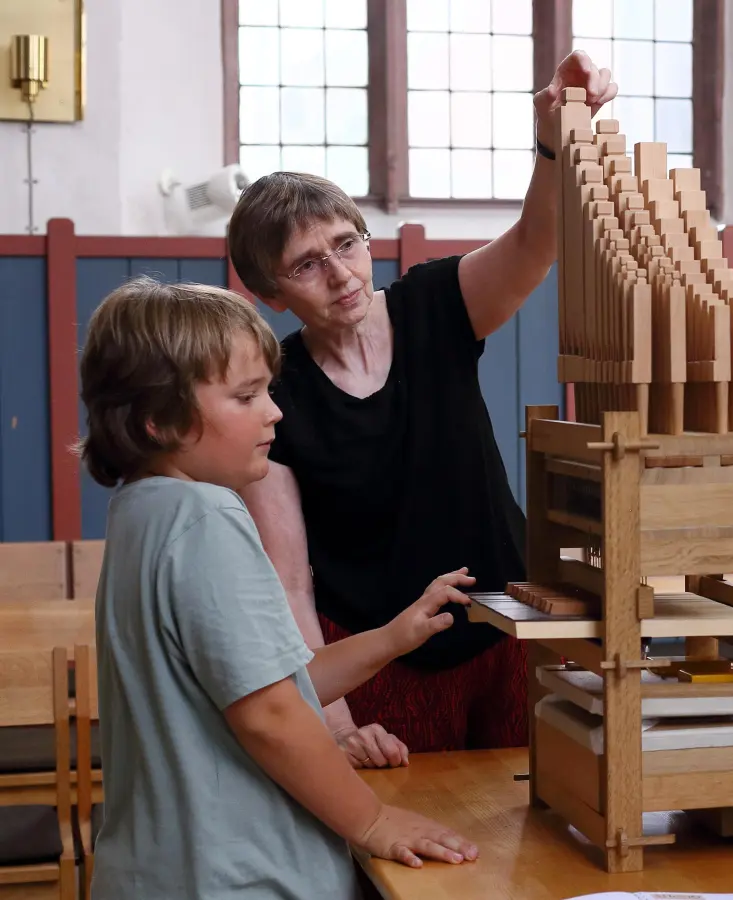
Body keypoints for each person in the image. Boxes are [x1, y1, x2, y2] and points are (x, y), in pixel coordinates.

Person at [227, 51, 618, 767]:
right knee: (414, 821)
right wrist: (335, 724)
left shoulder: (436, 304)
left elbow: (537, 241)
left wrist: (553, 141)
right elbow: (289, 583)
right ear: (270, 294)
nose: (340, 273)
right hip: (380, 658)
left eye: (346, 244)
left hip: (510, 628)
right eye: (308, 264)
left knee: (535, 811)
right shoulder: (277, 395)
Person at [79, 278, 480, 898]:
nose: (274, 411)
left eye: (268, 389)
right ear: (157, 419)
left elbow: (273, 685)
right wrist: (372, 819)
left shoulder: (141, 510)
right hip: (239, 880)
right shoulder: (206, 517)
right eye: (246, 396)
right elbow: (268, 715)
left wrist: (393, 637)